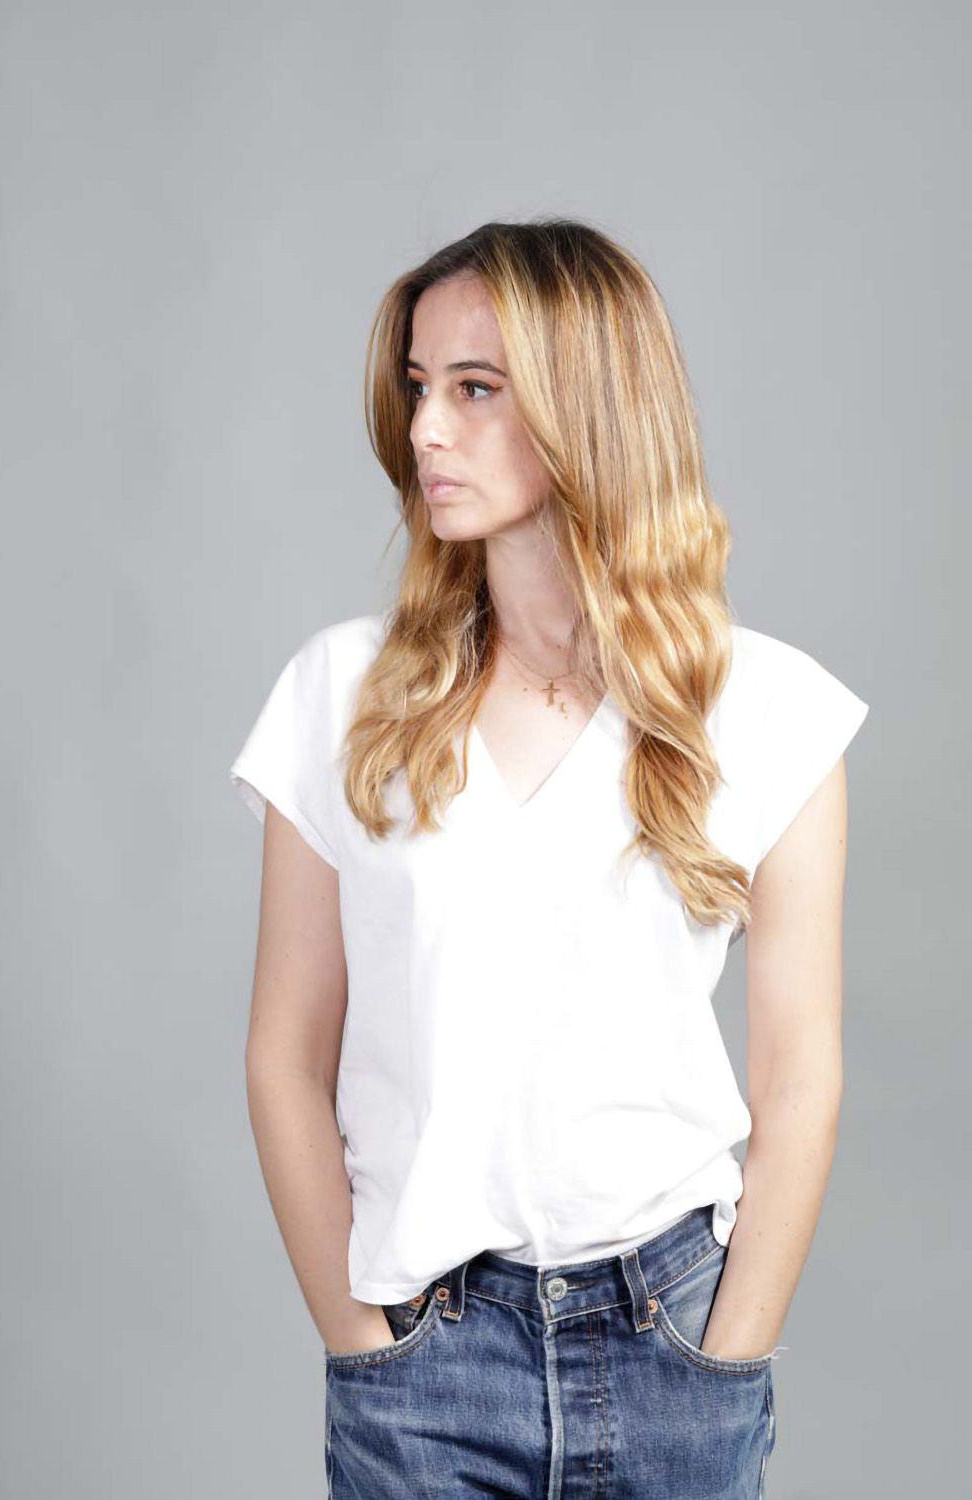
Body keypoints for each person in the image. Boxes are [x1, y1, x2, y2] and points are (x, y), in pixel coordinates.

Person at [228, 218, 869, 1498]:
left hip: (673, 1338)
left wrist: (726, 1358)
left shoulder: (768, 711)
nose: (425, 429)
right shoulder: (343, 697)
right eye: (419, 386)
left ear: (592, 407)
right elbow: (284, 1055)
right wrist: (361, 1343)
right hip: (427, 1362)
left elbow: (799, 1073)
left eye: (475, 389)